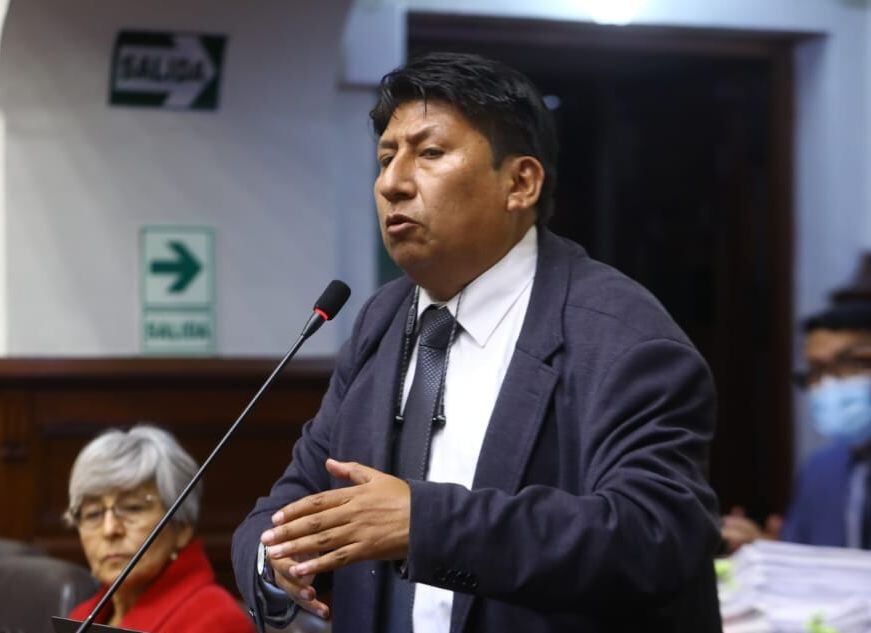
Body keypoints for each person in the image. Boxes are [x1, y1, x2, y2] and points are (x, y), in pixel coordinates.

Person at [232, 52, 721, 633]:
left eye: (429, 153)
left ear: (520, 183)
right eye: (386, 157)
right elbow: (292, 502)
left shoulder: (618, 332)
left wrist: (425, 524)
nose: (392, 182)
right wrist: (272, 560)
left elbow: (655, 536)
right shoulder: (381, 321)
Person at [66, 425, 254, 632]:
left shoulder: (216, 621)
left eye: (133, 507)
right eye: (93, 513)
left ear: (182, 527)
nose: (110, 529)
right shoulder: (81, 616)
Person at [722, 301, 871, 552]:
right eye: (816, 370)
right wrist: (766, 550)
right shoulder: (820, 471)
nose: (828, 383)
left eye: (851, 363)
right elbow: (809, 565)